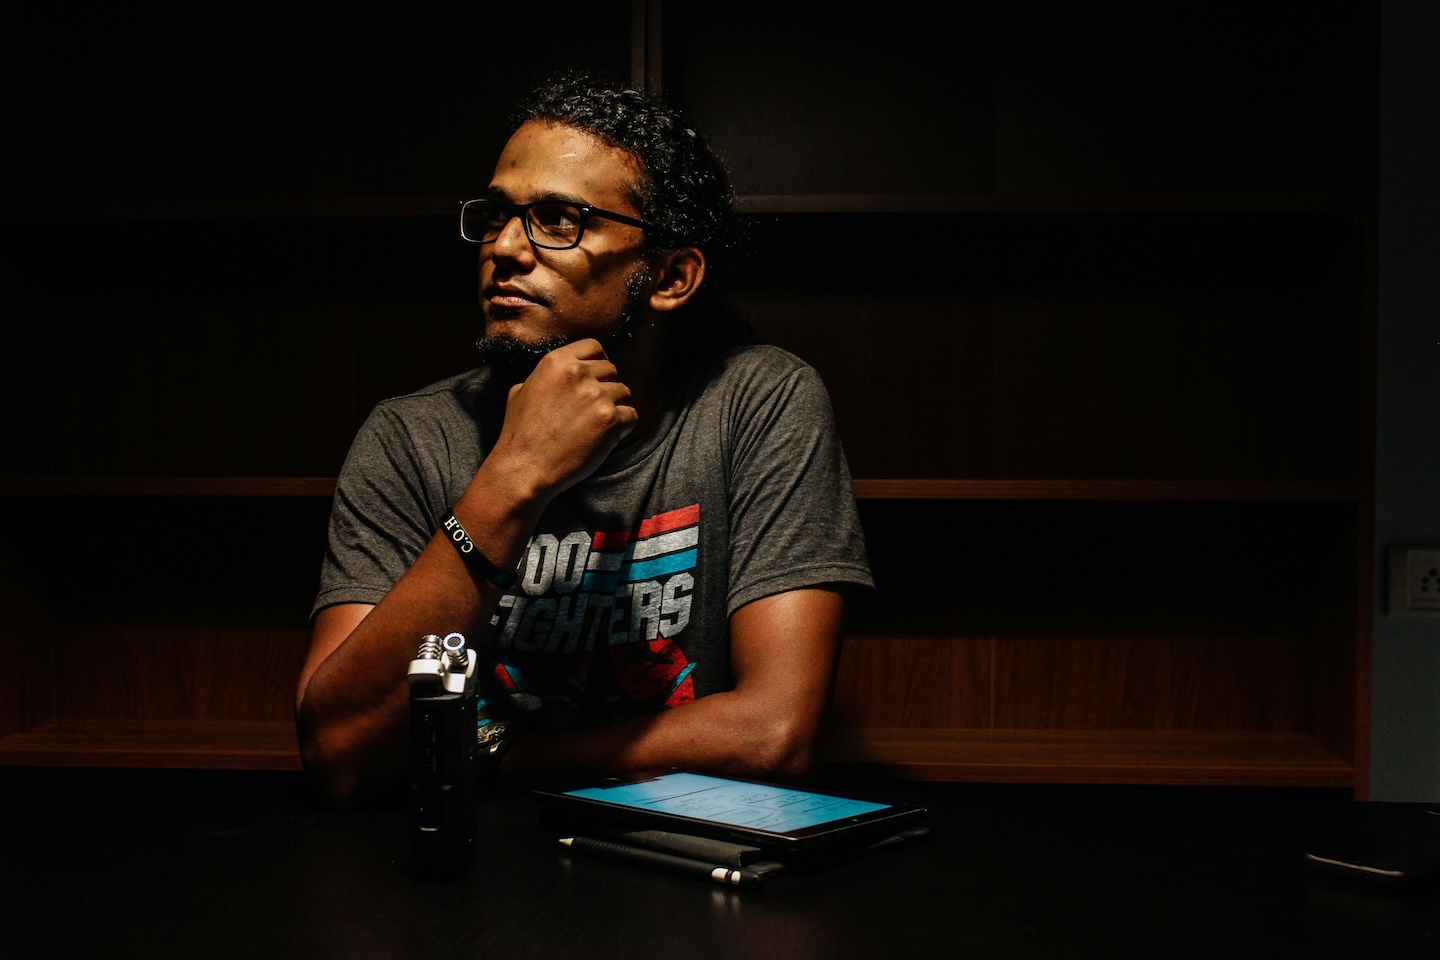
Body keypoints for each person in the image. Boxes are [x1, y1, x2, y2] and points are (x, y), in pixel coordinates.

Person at [295, 72, 872, 806]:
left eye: (558, 220)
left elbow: (774, 736)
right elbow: (340, 751)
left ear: (670, 276)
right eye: (497, 215)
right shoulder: (412, 436)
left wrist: (496, 756)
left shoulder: (755, 404)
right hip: (461, 857)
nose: (505, 247)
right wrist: (512, 478)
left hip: (677, 852)